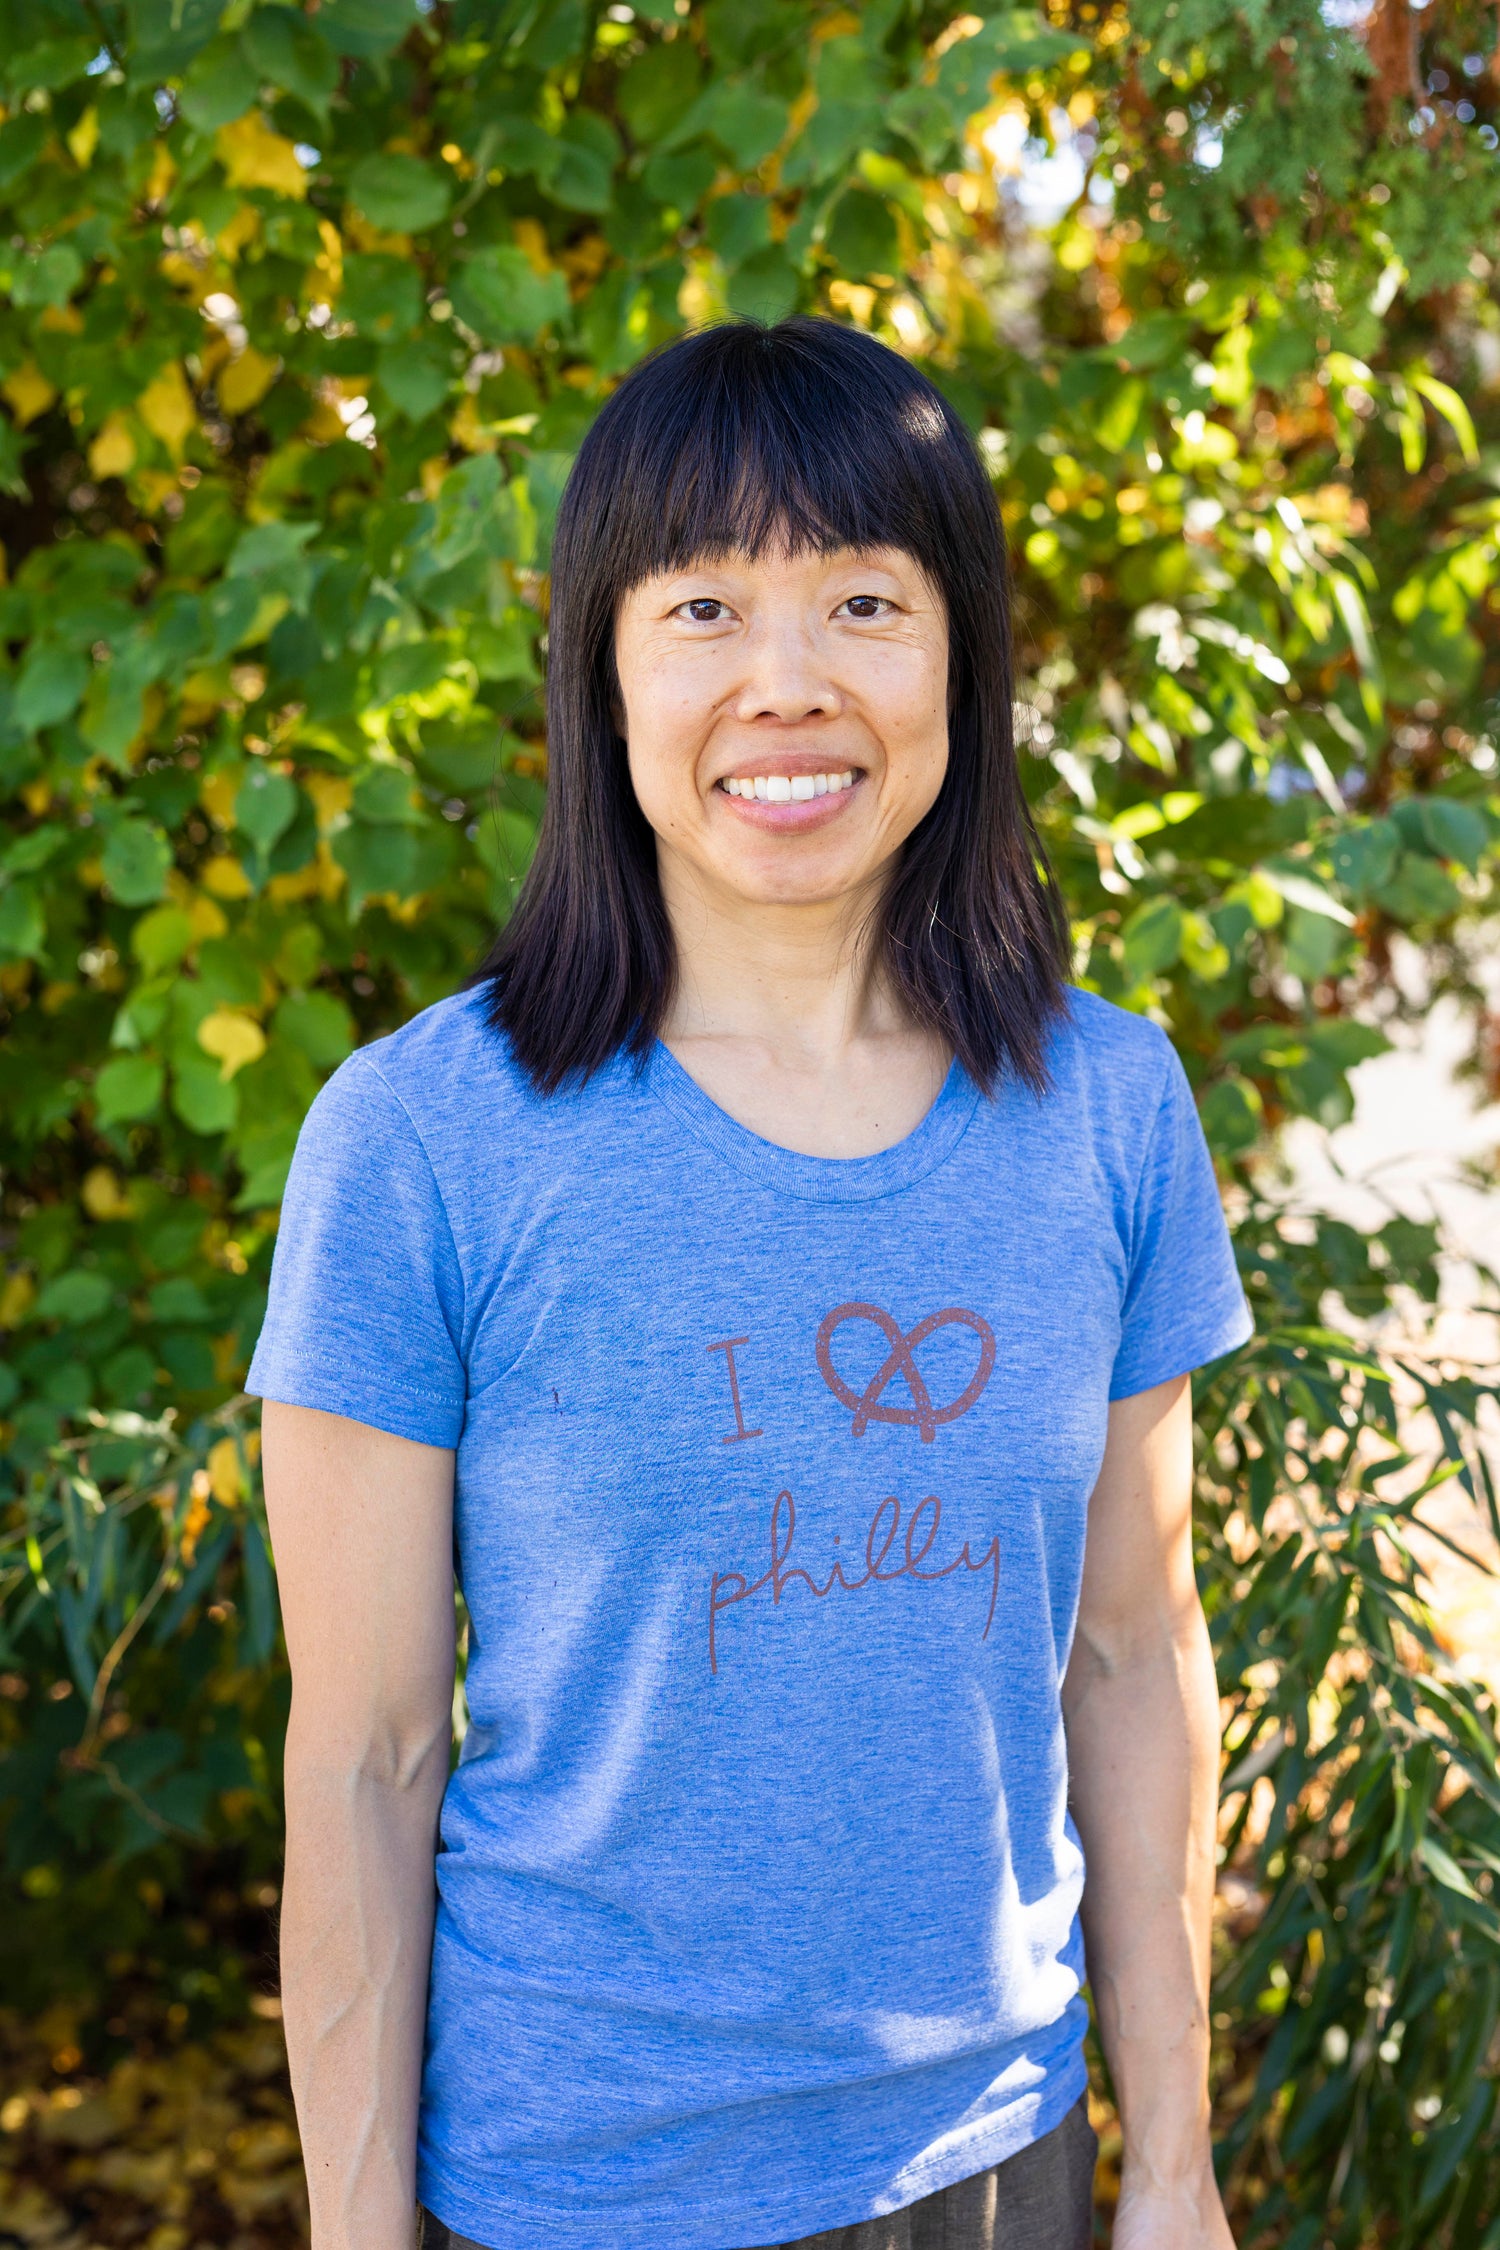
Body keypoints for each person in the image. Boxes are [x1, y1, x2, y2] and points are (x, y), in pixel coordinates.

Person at [252, 315, 1251, 2250]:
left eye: (863, 599)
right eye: (703, 606)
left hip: (995, 2163)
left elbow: (1135, 1658)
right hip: (570, 2189)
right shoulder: (424, 1139)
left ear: (959, 652)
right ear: (603, 674)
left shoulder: (1108, 1104)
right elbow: (364, 1759)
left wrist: (1179, 2168)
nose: (785, 685)